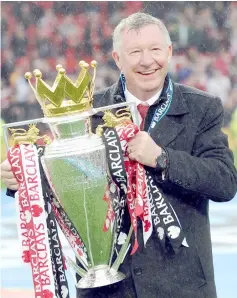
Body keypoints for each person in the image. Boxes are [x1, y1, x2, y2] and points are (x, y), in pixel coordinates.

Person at [1, 12, 237, 298]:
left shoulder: (202, 107)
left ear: (170, 52)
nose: (147, 60)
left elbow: (224, 182)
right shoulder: (89, 111)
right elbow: (63, 173)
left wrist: (163, 158)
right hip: (106, 286)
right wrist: (23, 176)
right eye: (135, 52)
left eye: (155, 49)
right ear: (117, 58)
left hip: (180, 285)